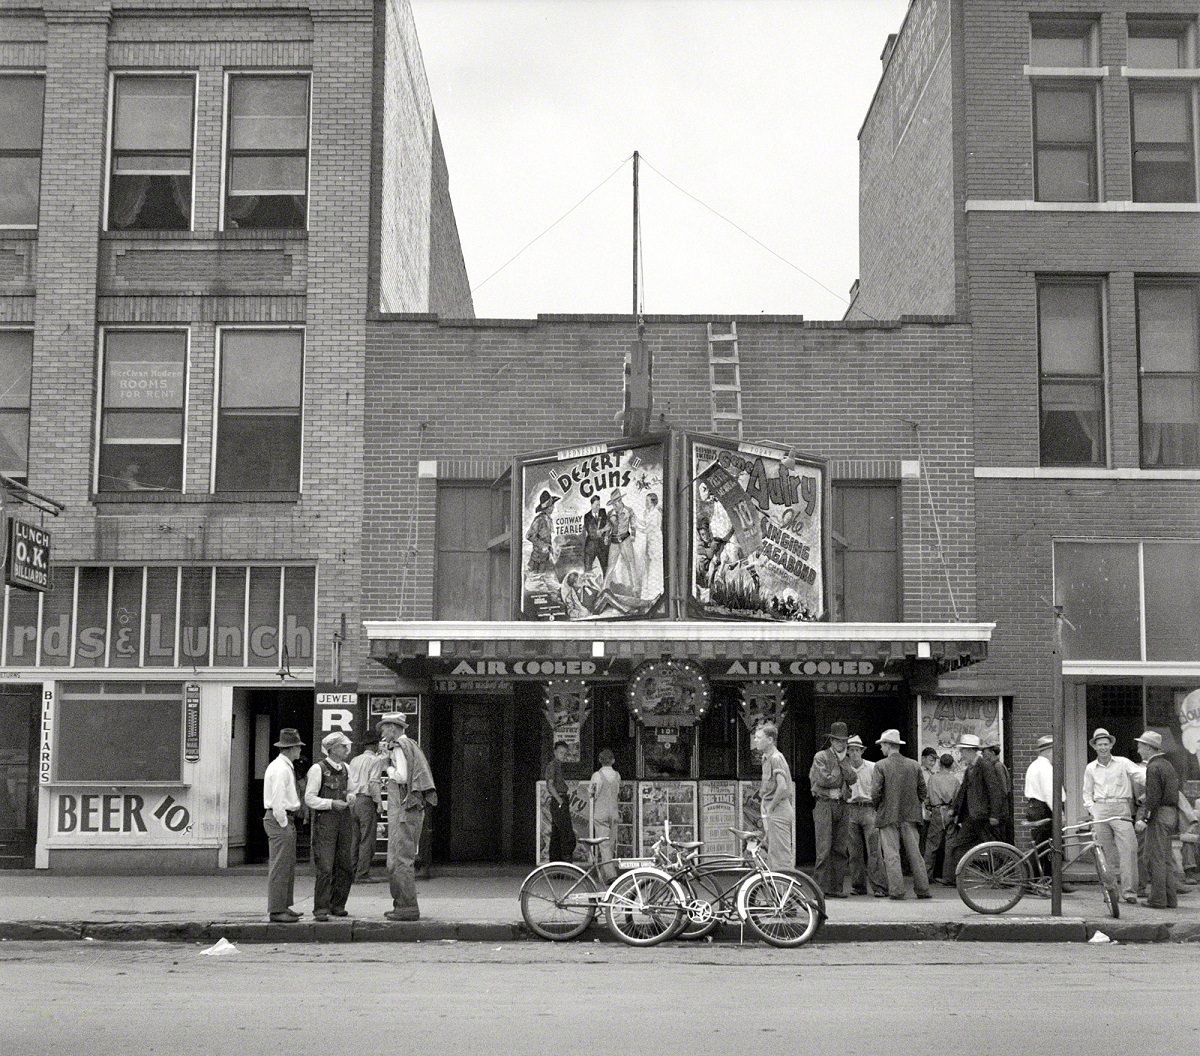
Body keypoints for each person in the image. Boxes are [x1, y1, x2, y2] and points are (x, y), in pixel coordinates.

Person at [378, 712, 437, 921]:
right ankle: (401, 904)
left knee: (401, 859)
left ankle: (407, 906)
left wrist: (387, 768)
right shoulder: (408, 745)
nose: (383, 733)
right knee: (395, 860)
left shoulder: (400, 748)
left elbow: (402, 777)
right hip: (406, 811)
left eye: (384, 728)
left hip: (406, 811)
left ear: (393, 728)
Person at [1083, 727, 1144, 905]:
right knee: (1104, 853)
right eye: (1099, 744)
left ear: (1111, 745)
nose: (1102, 747)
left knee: (1129, 849)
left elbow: (1141, 776)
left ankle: (1129, 892)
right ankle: (1110, 892)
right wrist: (1093, 810)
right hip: (1101, 808)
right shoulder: (1090, 768)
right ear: (1094, 747)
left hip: (1120, 807)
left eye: (1105, 744)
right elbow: (1087, 793)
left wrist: (1156, 780)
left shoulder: (1123, 763)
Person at [872, 729, 932, 901]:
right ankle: (923, 889)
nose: (881, 748)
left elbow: (875, 792)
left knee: (891, 855)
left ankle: (897, 891)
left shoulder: (880, 765)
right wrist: (914, 804)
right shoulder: (914, 765)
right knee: (915, 854)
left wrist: (879, 807)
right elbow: (923, 790)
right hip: (911, 815)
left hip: (888, 815)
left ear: (888, 745)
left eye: (882, 744)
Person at [942, 733, 1007, 884]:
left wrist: (995, 815)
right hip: (972, 817)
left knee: (993, 847)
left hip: (983, 817)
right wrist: (954, 809)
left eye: (963, 751)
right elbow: (963, 792)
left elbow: (995, 791)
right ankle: (953, 878)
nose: (961, 754)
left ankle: (1004, 876)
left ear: (971, 751)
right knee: (959, 845)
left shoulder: (985, 766)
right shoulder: (969, 769)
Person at [305, 732, 356, 921]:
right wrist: (331, 803)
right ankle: (321, 908)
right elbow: (309, 798)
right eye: (343, 747)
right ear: (333, 749)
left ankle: (338, 904)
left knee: (345, 865)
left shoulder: (347, 768)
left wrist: (351, 797)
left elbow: (352, 789)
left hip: (344, 820)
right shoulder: (318, 769)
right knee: (325, 866)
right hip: (325, 821)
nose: (346, 750)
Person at [809, 720, 856, 898]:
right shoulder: (821, 756)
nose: (841, 743)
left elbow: (853, 779)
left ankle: (836, 888)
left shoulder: (846, 759)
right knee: (823, 849)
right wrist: (841, 771)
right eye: (837, 740)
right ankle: (819, 890)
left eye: (844, 741)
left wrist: (843, 766)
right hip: (824, 804)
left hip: (842, 805)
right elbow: (824, 780)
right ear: (831, 741)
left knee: (840, 849)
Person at [262, 727, 305, 923]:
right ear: (291, 748)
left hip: (282, 818)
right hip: (280, 817)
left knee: (286, 864)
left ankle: (284, 906)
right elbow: (278, 799)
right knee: (280, 865)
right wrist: (283, 822)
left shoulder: (282, 766)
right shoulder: (281, 769)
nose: (299, 751)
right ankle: (277, 910)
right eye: (298, 747)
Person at [1135, 730, 1180, 909]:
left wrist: (1144, 819)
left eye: (1141, 746)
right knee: (1166, 858)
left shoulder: (1153, 767)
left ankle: (1158, 900)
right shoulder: (1167, 764)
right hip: (1171, 814)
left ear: (1148, 748)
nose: (1138, 749)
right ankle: (1170, 899)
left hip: (1159, 815)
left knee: (1156, 858)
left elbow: (1153, 797)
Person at [844, 735, 886, 897]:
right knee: (854, 852)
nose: (854, 753)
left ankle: (879, 886)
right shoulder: (845, 768)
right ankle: (858, 886)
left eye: (857, 750)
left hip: (869, 809)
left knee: (874, 850)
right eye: (851, 750)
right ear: (847, 752)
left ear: (862, 751)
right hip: (851, 809)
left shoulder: (872, 767)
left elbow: (880, 789)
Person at [753, 722, 794, 871]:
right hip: (772, 809)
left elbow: (782, 787)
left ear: (770, 740)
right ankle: (777, 891)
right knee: (772, 852)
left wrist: (770, 807)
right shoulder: (766, 758)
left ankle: (786, 891)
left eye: (759, 737)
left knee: (780, 854)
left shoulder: (776, 758)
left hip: (778, 809)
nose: (755, 740)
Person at [347, 736, 386, 883]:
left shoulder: (354, 760)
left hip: (353, 800)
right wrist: (379, 803)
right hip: (366, 800)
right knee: (367, 838)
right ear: (375, 745)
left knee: (354, 838)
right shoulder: (375, 760)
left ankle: (351, 871)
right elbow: (373, 783)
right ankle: (362, 873)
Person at [923, 753, 961, 883]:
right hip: (950, 811)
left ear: (940, 764)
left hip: (937, 811)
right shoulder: (955, 781)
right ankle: (949, 877)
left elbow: (927, 797)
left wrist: (928, 806)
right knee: (950, 844)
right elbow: (957, 799)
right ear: (951, 765)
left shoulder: (933, 779)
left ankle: (926, 875)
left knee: (932, 845)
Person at [1023, 735, 1056, 881]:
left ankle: (1047, 879)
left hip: (1035, 807)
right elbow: (1049, 792)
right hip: (1044, 808)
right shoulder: (1045, 767)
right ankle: (1043, 879)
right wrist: (1059, 812)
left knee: (1042, 846)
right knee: (1049, 846)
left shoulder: (1035, 765)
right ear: (1049, 750)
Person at [589, 748, 621, 879]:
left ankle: (610, 874)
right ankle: (603, 874)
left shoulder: (597, 776)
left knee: (604, 845)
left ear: (600, 760)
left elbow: (592, 793)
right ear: (613, 761)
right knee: (610, 844)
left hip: (601, 813)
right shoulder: (617, 776)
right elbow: (618, 792)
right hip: (613, 813)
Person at [604, 489, 641, 595]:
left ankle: (636, 588)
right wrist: (606, 537)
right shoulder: (610, 513)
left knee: (630, 563)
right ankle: (605, 589)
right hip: (614, 541)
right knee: (610, 565)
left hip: (625, 539)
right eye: (613, 504)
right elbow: (608, 527)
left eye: (615, 503)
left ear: (620, 501)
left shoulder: (629, 511)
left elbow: (633, 524)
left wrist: (633, 535)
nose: (614, 506)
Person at [545, 740, 576, 863]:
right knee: (566, 833)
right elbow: (550, 785)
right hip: (559, 799)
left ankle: (556, 864)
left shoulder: (559, 766)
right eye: (560, 752)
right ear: (555, 752)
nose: (563, 755)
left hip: (560, 799)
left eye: (565, 753)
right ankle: (565, 862)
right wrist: (559, 800)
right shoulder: (553, 765)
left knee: (557, 834)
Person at [525, 490, 560, 576]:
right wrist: (543, 545)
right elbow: (529, 536)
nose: (553, 508)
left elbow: (547, 538)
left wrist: (551, 548)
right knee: (535, 580)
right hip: (537, 560)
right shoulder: (539, 520)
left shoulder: (548, 520)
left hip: (545, 558)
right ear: (548, 508)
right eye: (552, 506)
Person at [639, 492, 664, 601]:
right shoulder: (649, 512)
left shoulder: (656, 513)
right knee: (648, 567)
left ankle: (655, 593)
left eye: (647, 501)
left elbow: (648, 529)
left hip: (655, 542)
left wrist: (637, 527)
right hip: (650, 542)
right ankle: (648, 594)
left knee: (654, 567)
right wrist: (636, 520)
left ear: (653, 502)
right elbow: (645, 523)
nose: (645, 503)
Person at [581, 494, 610, 577]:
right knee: (588, 570)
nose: (598, 507)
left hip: (602, 546)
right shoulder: (587, 517)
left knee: (606, 569)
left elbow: (608, 525)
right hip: (591, 546)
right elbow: (592, 533)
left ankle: (606, 587)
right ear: (592, 505)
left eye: (599, 504)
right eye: (596, 504)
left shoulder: (603, 512)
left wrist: (607, 536)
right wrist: (603, 530)